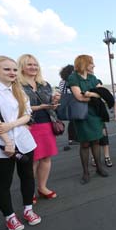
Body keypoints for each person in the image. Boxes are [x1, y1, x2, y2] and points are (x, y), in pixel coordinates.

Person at [0, 56, 41, 230]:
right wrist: (8, 142)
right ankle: (10, 216)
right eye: (7, 69)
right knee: (4, 182)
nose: (12, 73)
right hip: (0, 145)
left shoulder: (18, 90)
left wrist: (11, 125)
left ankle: (28, 209)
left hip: (24, 141)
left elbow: (27, 115)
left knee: (28, 176)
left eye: (14, 69)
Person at [18, 54, 60, 203]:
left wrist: (54, 102)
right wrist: (39, 107)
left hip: (47, 123)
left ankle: (42, 187)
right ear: (22, 66)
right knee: (33, 160)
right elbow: (18, 107)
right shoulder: (16, 84)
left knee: (46, 158)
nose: (33, 67)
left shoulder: (44, 84)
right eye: (29, 64)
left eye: (35, 64)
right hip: (29, 125)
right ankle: (30, 191)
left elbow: (49, 104)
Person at [68, 55, 109, 184]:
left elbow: (104, 93)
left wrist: (89, 94)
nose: (93, 65)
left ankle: (99, 168)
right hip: (82, 115)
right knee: (85, 143)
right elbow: (79, 97)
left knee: (96, 141)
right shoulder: (73, 77)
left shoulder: (93, 78)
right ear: (84, 63)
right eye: (92, 63)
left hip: (95, 114)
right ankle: (86, 172)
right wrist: (96, 96)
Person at [59, 64, 77, 150]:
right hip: (72, 102)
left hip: (67, 102)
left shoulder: (62, 81)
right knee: (73, 121)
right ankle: (72, 138)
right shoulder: (70, 81)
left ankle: (72, 138)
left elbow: (62, 92)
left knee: (73, 121)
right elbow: (70, 92)